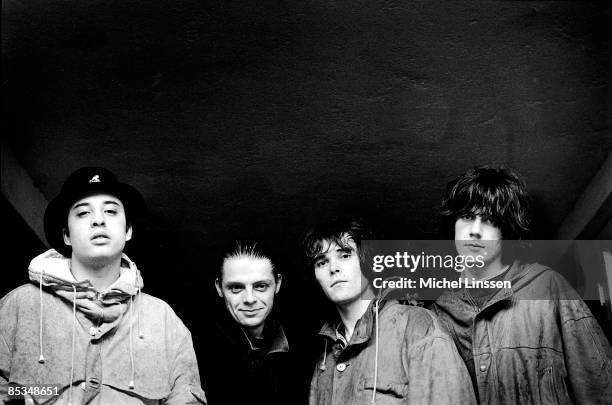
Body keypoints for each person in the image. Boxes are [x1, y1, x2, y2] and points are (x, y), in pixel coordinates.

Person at [0, 167, 206, 404]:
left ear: (127, 230)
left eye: (110, 211)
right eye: (83, 213)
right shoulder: (18, 306)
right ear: (66, 235)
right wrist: (31, 392)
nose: (98, 220)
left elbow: (186, 398)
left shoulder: (163, 319)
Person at [431, 166, 612, 404]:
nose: (474, 231)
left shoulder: (548, 286)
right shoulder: (438, 314)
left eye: (489, 220)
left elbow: (599, 385)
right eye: (466, 216)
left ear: (505, 230)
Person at [304, 219, 475, 405]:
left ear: (365, 258)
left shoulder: (417, 327)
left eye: (345, 255)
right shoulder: (325, 360)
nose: (333, 268)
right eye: (321, 262)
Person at [202, 241, 307, 405]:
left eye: (260, 286)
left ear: (277, 284)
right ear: (219, 288)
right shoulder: (198, 351)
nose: (249, 299)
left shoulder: (304, 346)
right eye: (236, 288)